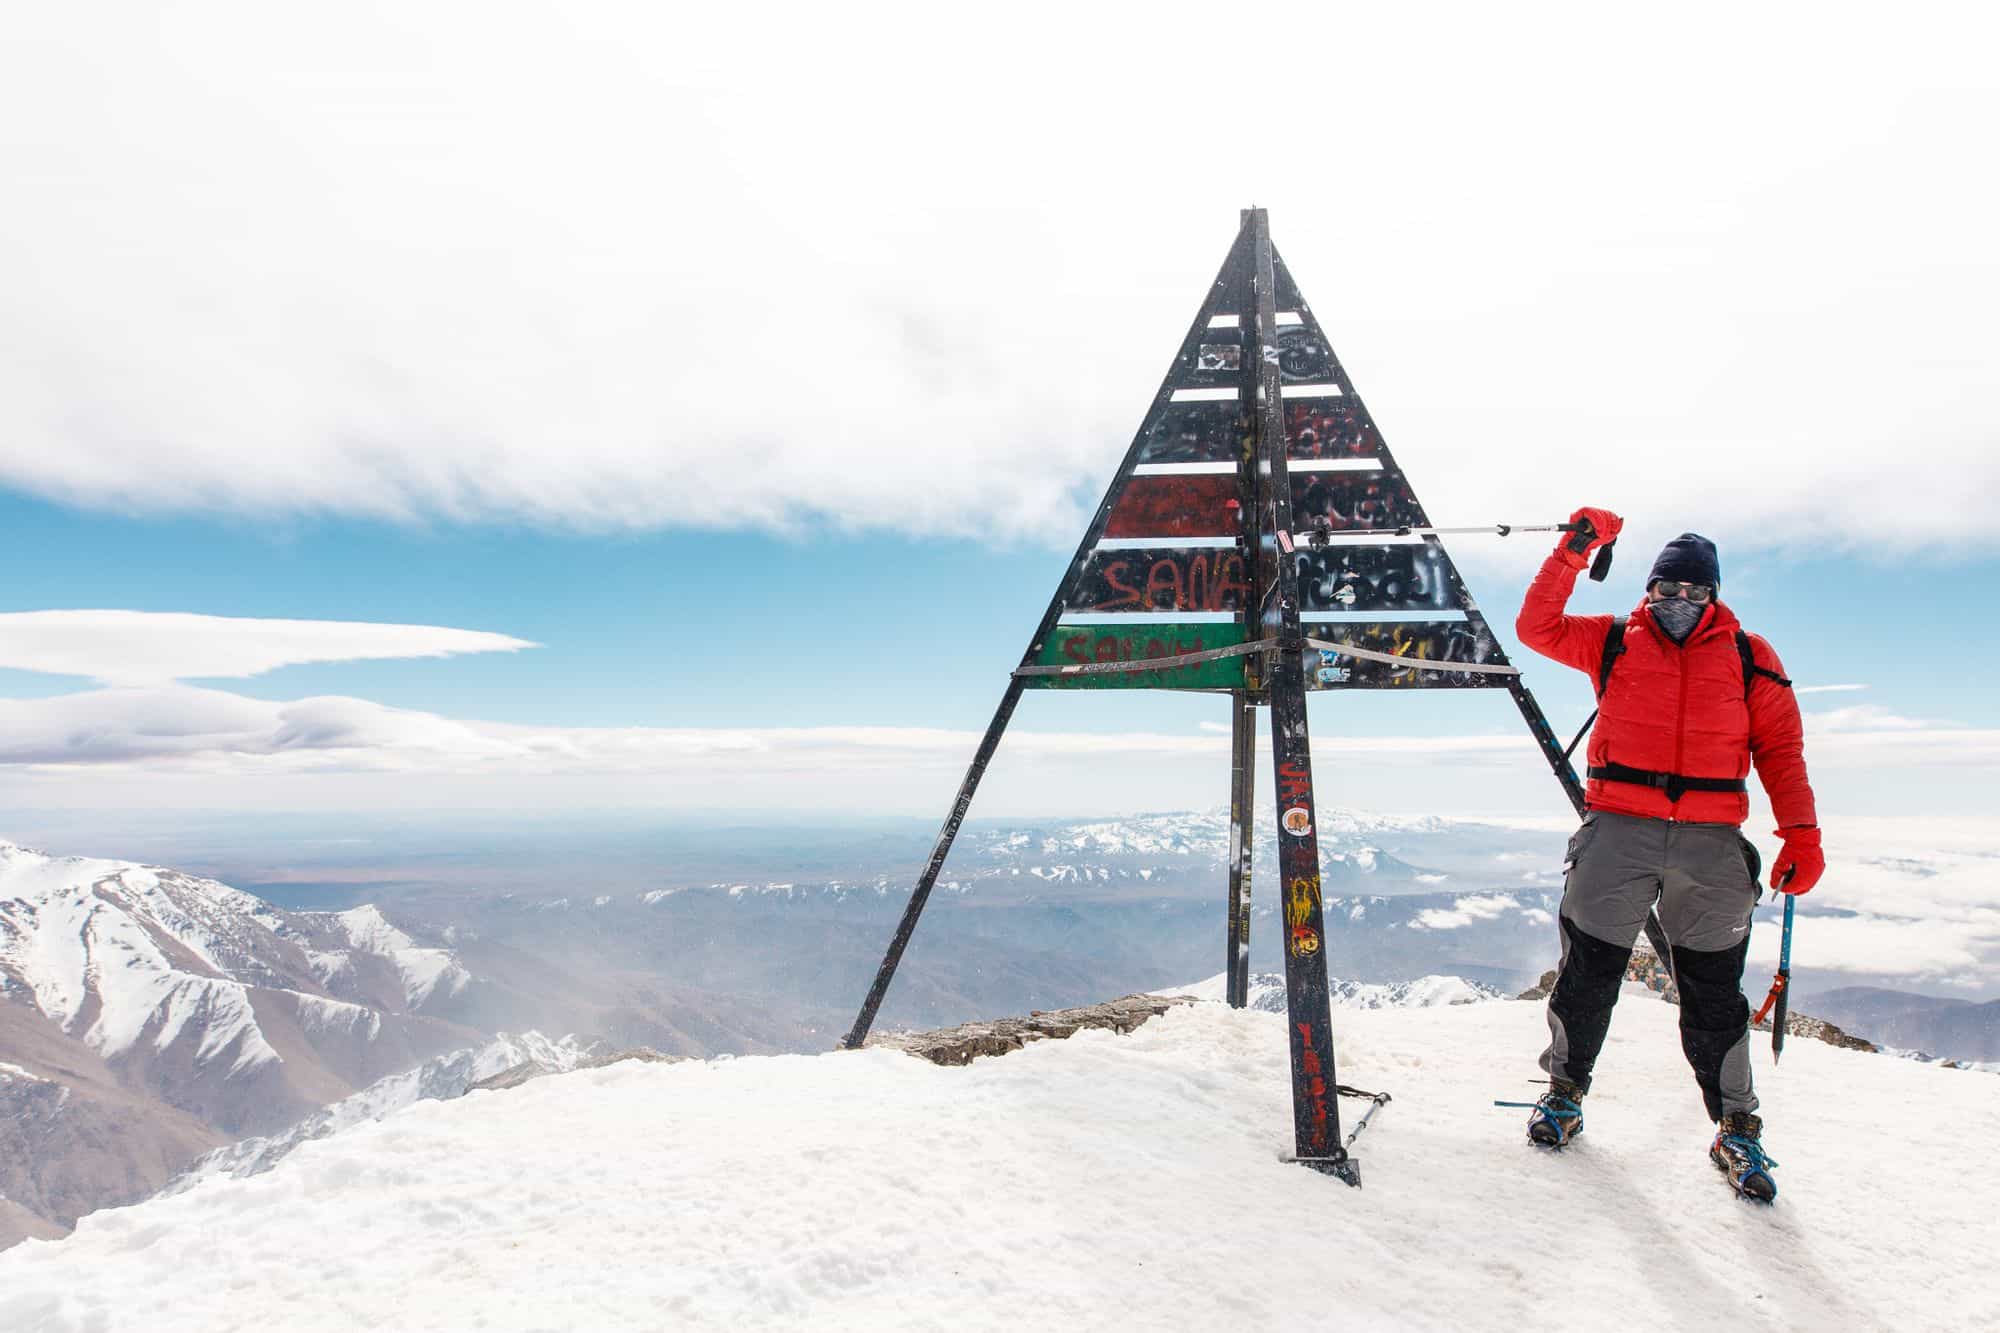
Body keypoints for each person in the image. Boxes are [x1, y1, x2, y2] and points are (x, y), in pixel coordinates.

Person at [1513, 508, 1823, 1202]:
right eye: (1667, 588)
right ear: (1648, 589)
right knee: (1589, 972)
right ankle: (1563, 1094)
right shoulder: (1612, 639)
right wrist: (1573, 552)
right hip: (1618, 829)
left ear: (1713, 594)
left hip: (1711, 843)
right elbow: (1537, 627)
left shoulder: (1749, 654)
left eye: (1694, 590)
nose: (1679, 600)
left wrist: (1802, 833)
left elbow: (1780, 751)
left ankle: (1737, 1126)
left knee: (1714, 992)